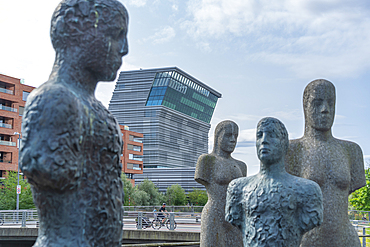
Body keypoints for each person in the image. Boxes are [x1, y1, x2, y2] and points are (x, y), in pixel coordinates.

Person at [19, 0, 129, 246]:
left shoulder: (98, 111)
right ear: (77, 31)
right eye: (116, 34)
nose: (125, 49)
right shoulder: (55, 99)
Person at [285, 79, 366, 247]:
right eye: (317, 103)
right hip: (306, 241)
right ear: (305, 107)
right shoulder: (292, 150)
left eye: (330, 103)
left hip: (346, 239)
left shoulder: (351, 151)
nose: (325, 110)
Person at [226, 117, 323, 247]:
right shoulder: (237, 188)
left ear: (285, 144)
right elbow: (235, 219)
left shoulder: (308, 190)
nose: (264, 141)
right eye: (259, 135)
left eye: (272, 135)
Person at [195, 120, 247, 247]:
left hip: (236, 217)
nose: (233, 140)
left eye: (236, 136)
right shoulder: (207, 160)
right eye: (228, 135)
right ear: (218, 136)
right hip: (214, 214)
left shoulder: (241, 166)